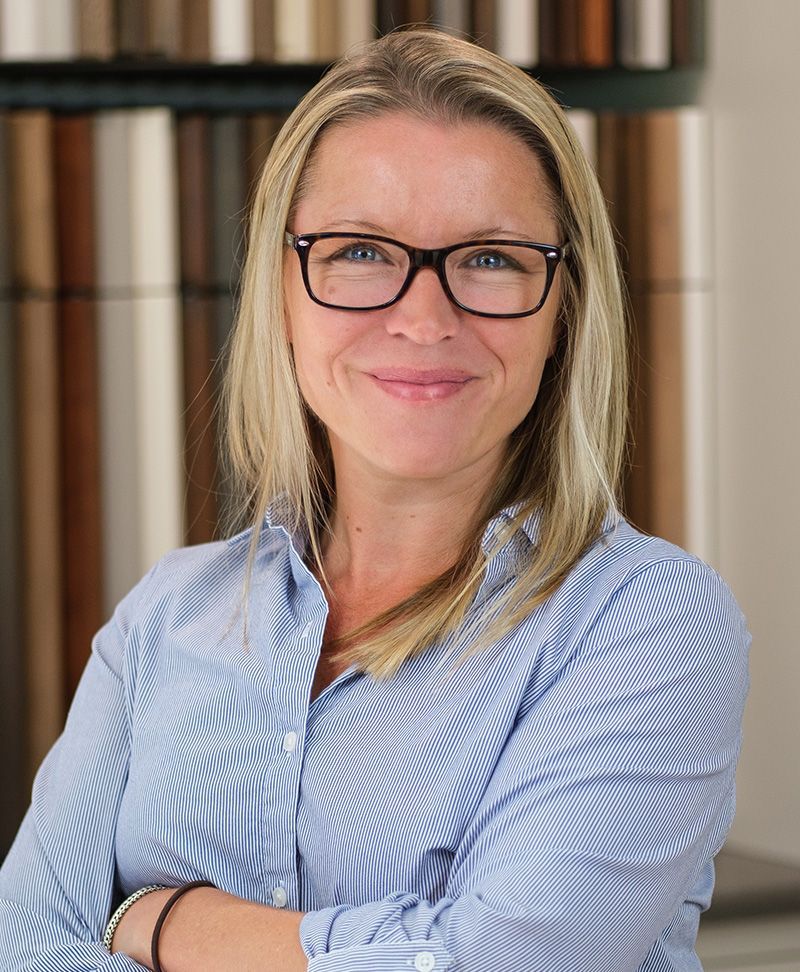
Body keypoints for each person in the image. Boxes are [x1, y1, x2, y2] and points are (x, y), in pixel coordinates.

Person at [0, 27, 749, 972]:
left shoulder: (646, 622)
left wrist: (164, 921)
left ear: (565, 307)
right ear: (282, 288)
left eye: (489, 259)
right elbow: (22, 945)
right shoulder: (165, 619)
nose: (423, 318)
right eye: (359, 251)